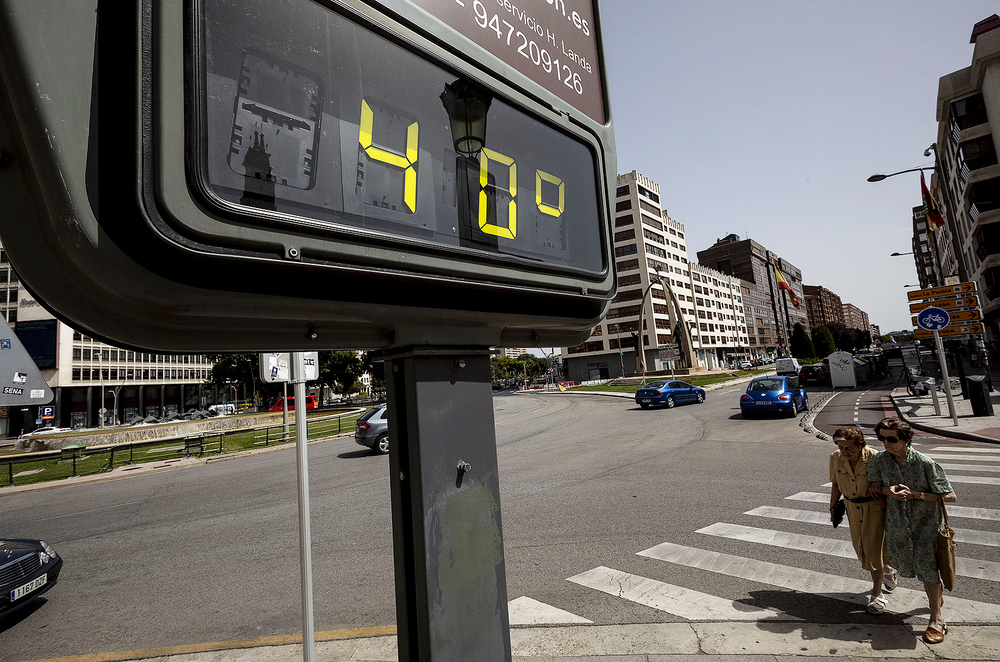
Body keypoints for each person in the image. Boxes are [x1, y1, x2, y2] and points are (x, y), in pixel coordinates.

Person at [868, 417, 957, 644]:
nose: (886, 443)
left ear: (906, 439)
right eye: (882, 438)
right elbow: (874, 487)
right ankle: (935, 599)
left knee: (929, 571)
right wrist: (888, 490)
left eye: (892, 439)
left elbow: (950, 496)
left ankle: (937, 618)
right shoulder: (879, 461)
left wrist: (916, 494)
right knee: (907, 565)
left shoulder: (926, 463)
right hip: (898, 525)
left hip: (925, 526)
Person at [828, 426, 896, 614]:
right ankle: (889, 568)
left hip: (874, 508)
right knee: (861, 549)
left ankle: (877, 595)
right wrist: (833, 507)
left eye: (849, 447)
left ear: (860, 445)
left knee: (872, 551)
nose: (845, 452)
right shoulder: (835, 457)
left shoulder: (875, 457)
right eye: (841, 447)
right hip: (851, 508)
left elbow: (889, 484)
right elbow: (835, 484)